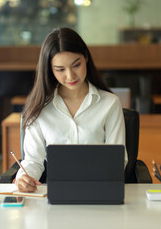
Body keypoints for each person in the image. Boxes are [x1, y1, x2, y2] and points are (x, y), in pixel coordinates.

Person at [16, 27, 128, 192]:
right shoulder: (40, 107)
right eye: (60, 69)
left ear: (86, 58)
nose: (70, 76)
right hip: (55, 194)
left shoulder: (110, 104)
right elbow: (33, 161)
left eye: (76, 65)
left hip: (98, 191)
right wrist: (25, 178)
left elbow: (118, 160)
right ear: (49, 69)